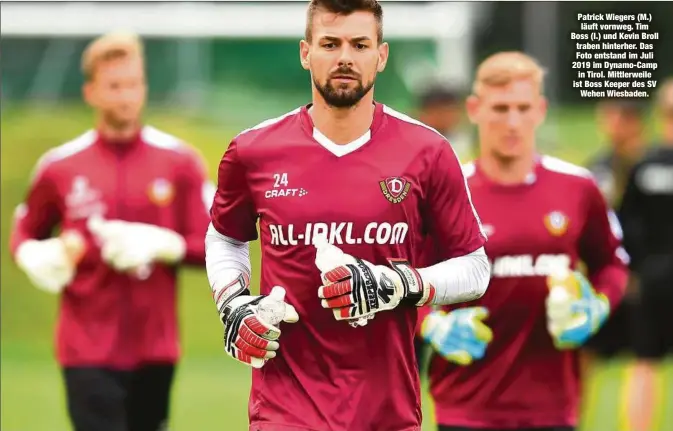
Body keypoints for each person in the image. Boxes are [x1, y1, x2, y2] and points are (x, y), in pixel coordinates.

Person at [204, 1, 490, 430]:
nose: (344, 58)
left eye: (359, 44)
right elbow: (225, 236)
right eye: (330, 43)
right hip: (284, 412)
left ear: (381, 55)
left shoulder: (428, 152)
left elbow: (475, 268)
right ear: (306, 53)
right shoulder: (252, 151)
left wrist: (397, 285)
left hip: (386, 413)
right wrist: (233, 303)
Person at [9, 31, 212, 431]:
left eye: (133, 85)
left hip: (155, 347)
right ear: (91, 92)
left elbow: (213, 245)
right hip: (87, 348)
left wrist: (164, 245)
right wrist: (37, 255)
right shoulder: (60, 166)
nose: (126, 96)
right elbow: (25, 230)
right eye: (115, 86)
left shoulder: (180, 163)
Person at [418, 52, 629, 431]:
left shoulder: (578, 187)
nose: (512, 122)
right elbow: (400, 281)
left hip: (554, 408)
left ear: (541, 110)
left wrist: (595, 307)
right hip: (465, 408)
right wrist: (432, 327)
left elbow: (611, 263)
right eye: (500, 108)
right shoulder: (445, 193)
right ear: (475, 109)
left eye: (522, 107)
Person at [617, 77, 673, 431]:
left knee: (645, 364)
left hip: (651, 281)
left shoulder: (644, 167)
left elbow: (625, 226)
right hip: (653, 280)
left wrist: (633, 272)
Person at [416, 84, 473, 162]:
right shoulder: (412, 145)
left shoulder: (468, 146)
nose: (444, 117)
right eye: (438, 111)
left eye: (450, 110)